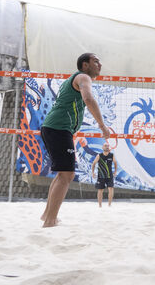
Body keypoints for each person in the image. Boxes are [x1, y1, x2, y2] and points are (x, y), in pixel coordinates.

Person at [39, 53, 110, 227]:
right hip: (58, 128)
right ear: (85, 65)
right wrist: (102, 126)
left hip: (55, 128)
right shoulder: (83, 77)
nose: (100, 64)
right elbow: (88, 99)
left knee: (62, 174)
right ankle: (50, 220)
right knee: (67, 175)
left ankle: (47, 215)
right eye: (95, 61)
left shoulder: (75, 78)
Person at [92, 142, 117, 207]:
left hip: (109, 175)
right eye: (105, 146)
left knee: (111, 189)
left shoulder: (112, 155)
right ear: (103, 147)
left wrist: (115, 171)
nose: (107, 147)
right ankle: (100, 205)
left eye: (108, 146)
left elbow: (115, 163)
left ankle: (109, 204)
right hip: (101, 175)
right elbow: (94, 163)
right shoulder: (99, 155)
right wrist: (93, 172)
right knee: (100, 190)